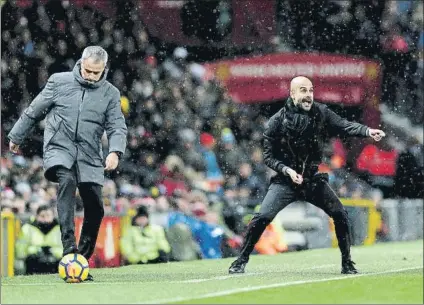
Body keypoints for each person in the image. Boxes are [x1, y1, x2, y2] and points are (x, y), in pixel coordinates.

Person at [228, 76, 386, 275]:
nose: (308, 95)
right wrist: (287, 170)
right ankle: (240, 260)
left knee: (340, 214)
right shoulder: (275, 122)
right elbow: (268, 158)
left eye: (310, 90)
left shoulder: (320, 112)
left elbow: (343, 125)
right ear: (292, 94)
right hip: (285, 181)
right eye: (303, 90)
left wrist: (367, 130)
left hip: (311, 180)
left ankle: (347, 262)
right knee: (262, 217)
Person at [8, 46, 127, 281]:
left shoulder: (111, 93)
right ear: (80, 64)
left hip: (90, 155)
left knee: (95, 207)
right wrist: (16, 135)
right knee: (67, 183)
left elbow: (116, 126)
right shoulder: (58, 82)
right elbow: (35, 110)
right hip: (59, 148)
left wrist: (115, 152)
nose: (91, 76)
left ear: (105, 69)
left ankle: (80, 260)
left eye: (97, 72)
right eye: (88, 71)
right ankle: (69, 250)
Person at [16, 205, 62, 275]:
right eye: (42, 216)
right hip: (34, 264)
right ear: (37, 216)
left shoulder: (60, 229)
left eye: (48, 216)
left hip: (55, 263)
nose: (45, 219)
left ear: (53, 216)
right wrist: (37, 251)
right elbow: (20, 251)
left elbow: (65, 250)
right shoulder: (27, 228)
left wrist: (52, 252)